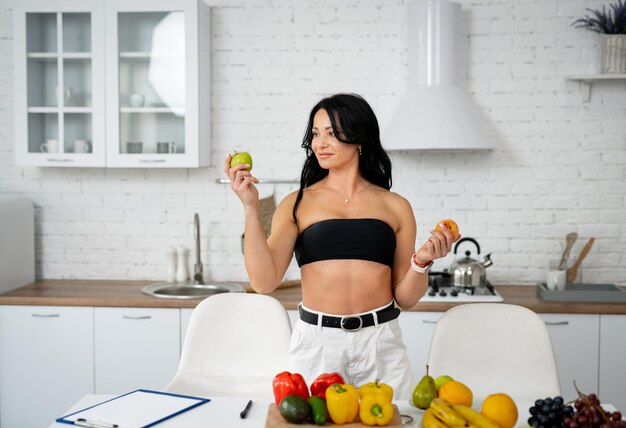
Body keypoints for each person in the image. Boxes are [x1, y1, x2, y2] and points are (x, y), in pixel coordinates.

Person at [224, 93, 459, 399]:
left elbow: (406, 297)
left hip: (381, 343)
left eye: (331, 134)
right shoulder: (297, 203)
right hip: (318, 345)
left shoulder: (396, 206)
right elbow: (264, 281)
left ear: (360, 139)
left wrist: (423, 261)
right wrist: (251, 208)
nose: (320, 144)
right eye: (316, 134)